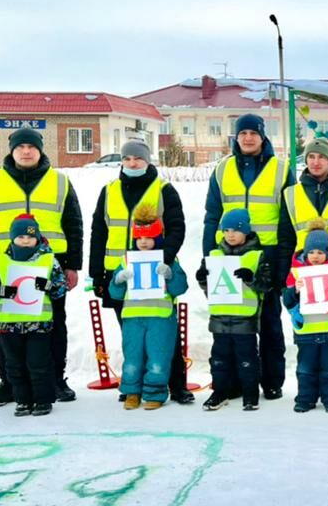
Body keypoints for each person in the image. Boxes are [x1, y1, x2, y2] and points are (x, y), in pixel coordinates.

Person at [0, 127, 84, 407]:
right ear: (11, 150)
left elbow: (74, 225)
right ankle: (8, 384)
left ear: (41, 149)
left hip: (48, 270)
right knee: (7, 329)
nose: (26, 151)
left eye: (32, 146)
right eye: (20, 147)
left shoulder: (59, 182)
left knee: (53, 326)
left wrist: (72, 266)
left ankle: (55, 380)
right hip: (6, 269)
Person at [88, 139, 193, 404]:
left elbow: (177, 227)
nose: (132, 164)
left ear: (148, 161)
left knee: (164, 334)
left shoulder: (164, 190)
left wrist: (164, 260)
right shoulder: (109, 190)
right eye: (127, 159)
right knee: (131, 334)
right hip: (120, 275)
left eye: (138, 159)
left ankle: (176, 385)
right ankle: (135, 387)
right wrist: (97, 273)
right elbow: (98, 232)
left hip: (156, 274)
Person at [202, 113, 294, 402]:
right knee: (231, 326)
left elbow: (287, 218)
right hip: (228, 256)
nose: (248, 138)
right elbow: (212, 215)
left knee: (268, 324)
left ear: (263, 136)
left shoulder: (281, 169)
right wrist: (209, 257)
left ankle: (271, 381)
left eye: (254, 133)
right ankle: (233, 383)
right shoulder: (222, 169)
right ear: (236, 137)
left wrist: (282, 262)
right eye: (243, 133)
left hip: (264, 255)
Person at [282, 136, 328, 404]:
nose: (315, 162)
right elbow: (286, 236)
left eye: (321, 157)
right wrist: (288, 273)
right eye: (311, 157)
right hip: (304, 273)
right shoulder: (291, 194)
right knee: (309, 333)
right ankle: (309, 388)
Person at [0, 213, 68, 416]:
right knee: (14, 365)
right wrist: (1, 291)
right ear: (13, 238)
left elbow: (60, 288)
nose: (25, 240)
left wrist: (48, 286)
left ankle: (43, 401)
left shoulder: (48, 261)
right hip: (8, 326)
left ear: (37, 237)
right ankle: (22, 400)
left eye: (30, 236)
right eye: (20, 236)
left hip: (38, 325)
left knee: (39, 363)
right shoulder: (0, 261)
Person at [107, 205, 190, 410]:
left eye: (149, 237)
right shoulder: (126, 260)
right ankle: (132, 392)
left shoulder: (169, 260)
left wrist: (170, 275)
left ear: (158, 238)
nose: (143, 242)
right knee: (133, 358)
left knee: (158, 357)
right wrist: (118, 280)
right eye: (139, 238)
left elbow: (180, 288)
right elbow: (115, 294)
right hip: (133, 319)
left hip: (161, 317)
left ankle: (155, 393)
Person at [198, 209, 273, 411]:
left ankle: (250, 394)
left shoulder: (257, 256)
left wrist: (251, 278)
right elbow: (208, 288)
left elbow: (267, 285)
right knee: (219, 360)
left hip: (245, 320)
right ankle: (219, 392)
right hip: (219, 320)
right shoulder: (214, 255)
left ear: (246, 231)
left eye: (236, 230)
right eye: (226, 230)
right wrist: (202, 278)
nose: (230, 235)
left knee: (247, 360)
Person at [282, 219, 328, 413]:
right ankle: (305, 399)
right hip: (307, 330)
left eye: (321, 252)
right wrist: (294, 291)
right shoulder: (296, 272)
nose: (315, 256)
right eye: (312, 252)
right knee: (306, 369)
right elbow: (287, 300)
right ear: (305, 251)